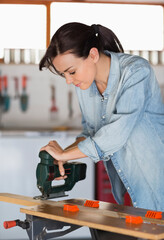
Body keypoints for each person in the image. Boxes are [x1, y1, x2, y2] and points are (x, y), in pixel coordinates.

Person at [39, 22, 164, 211]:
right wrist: (63, 157)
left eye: (71, 72)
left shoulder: (137, 72)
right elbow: (91, 134)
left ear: (93, 54)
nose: (68, 81)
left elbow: (115, 134)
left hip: (156, 184)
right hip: (125, 187)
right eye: (63, 74)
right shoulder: (85, 84)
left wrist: (65, 153)